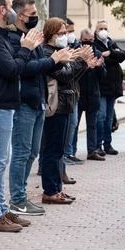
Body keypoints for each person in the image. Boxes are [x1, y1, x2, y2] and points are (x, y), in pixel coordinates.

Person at [8, 0, 73, 217]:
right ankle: (17, 199)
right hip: (23, 103)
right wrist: (54, 60)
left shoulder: (32, 37)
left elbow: (38, 70)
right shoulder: (13, 38)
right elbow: (24, 68)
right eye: (32, 13)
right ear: (20, 15)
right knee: (21, 152)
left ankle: (21, 197)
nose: (35, 16)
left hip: (38, 102)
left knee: (32, 152)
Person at [0, 0, 42, 232]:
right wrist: (26, 49)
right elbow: (11, 69)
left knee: (0, 161)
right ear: (1, 9)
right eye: (10, 6)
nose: (11, 12)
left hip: (2, 105)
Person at [39, 18, 96, 205]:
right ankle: (50, 190)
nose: (65, 36)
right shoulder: (48, 53)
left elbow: (72, 78)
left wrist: (84, 63)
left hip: (66, 104)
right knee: (52, 150)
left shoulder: (59, 51)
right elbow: (65, 75)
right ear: (50, 34)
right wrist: (81, 60)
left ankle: (57, 189)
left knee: (59, 150)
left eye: (66, 32)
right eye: (61, 33)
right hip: (56, 106)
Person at [94, 20, 125, 156]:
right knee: (100, 116)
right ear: (96, 31)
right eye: (100, 28)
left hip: (113, 88)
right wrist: (112, 56)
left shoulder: (111, 43)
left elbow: (123, 55)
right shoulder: (94, 44)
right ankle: (98, 145)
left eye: (105, 28)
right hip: (101, 87)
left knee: (109, 118)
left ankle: (108, 144)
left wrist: (110, 53)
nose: (103, 30)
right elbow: (99, 57)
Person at [75, 29, 106, 161]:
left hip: (93, 94)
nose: (88, 42)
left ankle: (92, 151)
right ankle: (71, 152)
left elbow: (103, 76)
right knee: (74, 125)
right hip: (78, 94)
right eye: (86, 39)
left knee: (92, 125)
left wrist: (99, 67)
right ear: (81, 39)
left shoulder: (97, 53)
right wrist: (84, 64)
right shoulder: (76, 52)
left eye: (91, 39)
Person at [63, 18, 82, 165]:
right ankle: (64, 154)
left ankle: (68, 153)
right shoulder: (60, 48)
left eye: (71, 32)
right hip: (61, 95)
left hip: (73, 92)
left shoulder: (75, 45)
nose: (70, 35)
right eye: (68, 32)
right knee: (67, 125)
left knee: (73, 124)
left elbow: (76, 74)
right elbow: (64, 73)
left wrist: (85, 62)